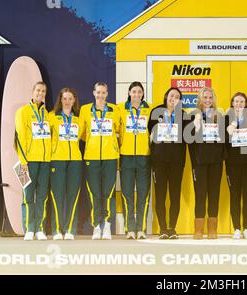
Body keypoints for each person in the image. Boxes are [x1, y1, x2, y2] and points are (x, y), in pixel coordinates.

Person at [79, 82, 120, 240]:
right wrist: (91, 141)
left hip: (110, 157)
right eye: (98, 92)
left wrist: (113, 145)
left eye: (103, 93)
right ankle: (96, 225)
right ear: (93, 93)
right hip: (92, 157)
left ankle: (107, 226)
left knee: (108, 193)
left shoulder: (115, 110)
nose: (101, 96)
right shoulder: (85, 110)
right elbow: (81, 133)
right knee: (94, 192)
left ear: (107, 93)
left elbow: (119, 131)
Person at [15, 81, 51, 241]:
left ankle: (39, 228)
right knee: (27, 196)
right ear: (32, 92)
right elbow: (19, 138)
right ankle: (29, 228)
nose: (40, 93)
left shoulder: (47, 114)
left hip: (44, 161)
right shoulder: (22, 112)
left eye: (43, 91)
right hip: (26, 162)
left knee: (42, 196)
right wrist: (23, 161)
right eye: (38, 90)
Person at [148, 87, 186, 240]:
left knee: (175, 195)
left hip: (177, 161)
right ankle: (163, 228)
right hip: (159, 160)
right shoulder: (156, 111)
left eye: (177, 97)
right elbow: (149, 133)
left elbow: (186, 138)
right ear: (166, 97)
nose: (173, 99)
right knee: (161, 194)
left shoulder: (183, 115)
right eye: (171, 95)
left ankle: (172, 228)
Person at [189, 87, 226, 240]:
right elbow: (188, 139)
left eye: (210, 97)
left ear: (214, 99)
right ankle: (198, 229)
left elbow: (225, 139)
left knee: (214, 193)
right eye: (205, 97)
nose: (208, 100)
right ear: (200, 99)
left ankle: (212, 229)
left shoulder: (220, 116)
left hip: (216, 161)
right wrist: (195, 126)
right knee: (200, 194)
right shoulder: (193, 115)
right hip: (199, 162)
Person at [118, 82, 151, 240]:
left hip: (144, 156)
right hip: (126, 156)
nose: (137, 94)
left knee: (143, 193)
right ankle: (130, 228)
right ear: (129, 93)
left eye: (139, 91)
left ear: (143, 93)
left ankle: (142, 228)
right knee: (127, 193)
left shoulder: (149, 109)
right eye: (134, 91)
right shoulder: (120, 108)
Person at [48, 87, 83, 240]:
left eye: (70, 98)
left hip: (75, 160)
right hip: (57, 159)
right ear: (60, 100)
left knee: (73, 195)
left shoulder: (80, 118)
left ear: (74, 100)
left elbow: (88, 136)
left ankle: (70, 229)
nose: (67, 101)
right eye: (64, 98)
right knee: (57, 195)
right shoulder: (51, 117)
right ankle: (56, 230)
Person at [225, 92, 247, 240]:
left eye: (242, 102)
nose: (239, 104)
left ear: (246, 104)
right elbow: (222, 140)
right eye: (236, 101)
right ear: (232, 103)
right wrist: (229, 130)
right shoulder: (226, 118)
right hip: (232, 164)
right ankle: (236, 227)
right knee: (235, 196)